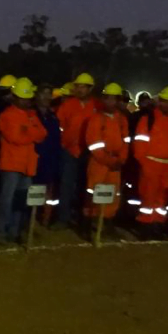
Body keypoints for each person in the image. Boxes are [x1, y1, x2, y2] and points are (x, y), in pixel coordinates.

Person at [0, 78, 46, 245]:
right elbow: (15, 138)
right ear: (14, 97)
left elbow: (42, 134)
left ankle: (14, 231)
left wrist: (27, 131)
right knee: (6, 201)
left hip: (27, 165)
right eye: (22, 97)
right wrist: (31, 132)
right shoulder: (7, 115)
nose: (25, 101)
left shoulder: (31, 115)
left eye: (27, 98)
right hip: (11, 165)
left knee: (20, 201)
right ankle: (0, 231)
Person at [134, 87, 168, 229]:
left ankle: (157, 222)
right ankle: (145, 224)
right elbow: (140, 143)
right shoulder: (148, 119)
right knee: (148, 196)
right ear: (159, 102)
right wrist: (145, 163)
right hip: (151, 163)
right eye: (165, 101)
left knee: (162, 197)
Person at [83, 86, 131, 221]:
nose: (111, 102)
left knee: (112, 192)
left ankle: (106, 220)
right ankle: (90, 220)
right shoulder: (96, 119)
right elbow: (94, 144)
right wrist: (109, 161)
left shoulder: (122, 120)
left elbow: (126, 141)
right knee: (93, 191)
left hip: (115, 162)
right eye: (108, 98)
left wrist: (121, 159)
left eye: (114, 99)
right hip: (99, 162)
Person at [55, 73, 97, 227]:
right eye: (77, 86)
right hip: (69, 151)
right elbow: (59, 127)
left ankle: (82, 217)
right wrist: (63, 145)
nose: (79, 89)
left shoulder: (96, 106)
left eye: (82, 87)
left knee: (85, 186)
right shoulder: (68, 105)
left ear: (90, 88)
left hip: (90, 152)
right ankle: (63, 218)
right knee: (66, 185)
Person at [31, 81, 62, 226]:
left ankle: (44, 217)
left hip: (49, 159)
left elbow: (56, 139)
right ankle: (28, 219)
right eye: (43, 93)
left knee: (46, 190)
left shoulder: (53, 117)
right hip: (33, 158)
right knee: (31, 190)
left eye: (49, 94)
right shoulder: (31, 113)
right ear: (37, 95)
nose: (46, 97)